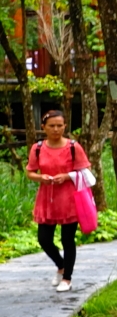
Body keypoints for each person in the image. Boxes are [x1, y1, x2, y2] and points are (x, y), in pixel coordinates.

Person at [25, 110, 91, 292]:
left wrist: (67, 176)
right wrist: (41, 178)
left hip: (69, 198)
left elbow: (85, 172)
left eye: (59, 126)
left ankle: (67, 279)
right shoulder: (37, 148)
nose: (56, 129)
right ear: (43, 127)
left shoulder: (73, 147)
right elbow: (30, 171)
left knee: (67, 239)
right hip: (47, 198)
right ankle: (61, 266)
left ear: (64, 126)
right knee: (44, 239)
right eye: (52, 126)